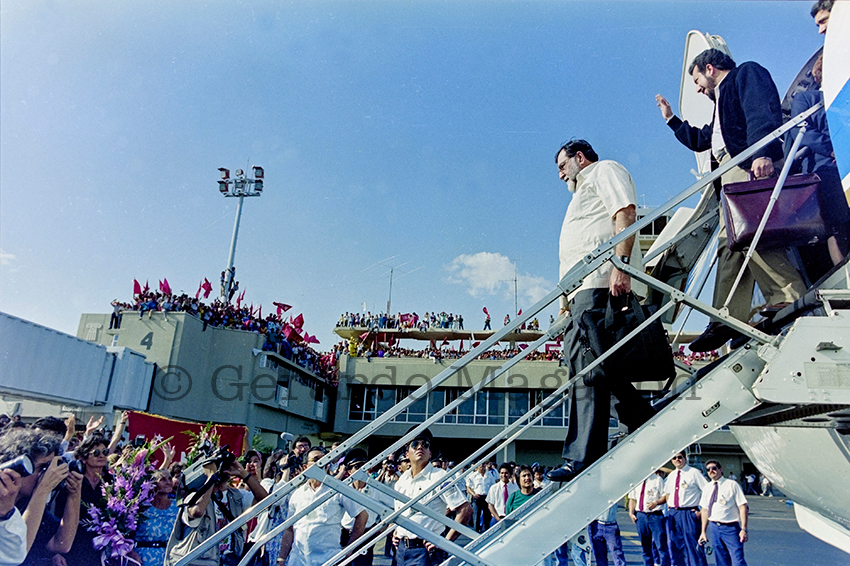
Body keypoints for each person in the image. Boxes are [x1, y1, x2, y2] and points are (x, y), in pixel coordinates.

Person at [655, 49, 807, 352]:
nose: (697, 88)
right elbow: (703, 141)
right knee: (731, 244)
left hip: (747, 165)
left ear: (709, 68)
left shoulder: (745, 75)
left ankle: (789, 294)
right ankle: (726, 316)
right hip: (729, 170)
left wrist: (762, 153)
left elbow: (759, 112)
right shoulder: (721, 102)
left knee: (752, 234)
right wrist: (672, 120)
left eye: (697, 79)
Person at [547, 139, 655, 482]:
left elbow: (624, 213)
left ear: (580, 157)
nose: (561, 174)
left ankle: (581, 456)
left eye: (563, 166)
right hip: (581, 290)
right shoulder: (580, 193)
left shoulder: (603, 170)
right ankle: (637, 411)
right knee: (591, 365)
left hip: (600, 282)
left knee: (587, 369)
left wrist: (621, 265)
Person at [786, 54, 850, 265]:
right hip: (826, 168)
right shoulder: (807, 99)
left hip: (845, 165)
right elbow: (799, 129)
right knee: (838, 222)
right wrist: (831, 147)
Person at [165, 455, 268, 566]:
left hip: (229, 560)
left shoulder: (236, 497)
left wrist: (243, 473)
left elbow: (265, 501)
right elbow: (197, 511)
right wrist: (211, 478)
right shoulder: (195, 497)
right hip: (199, 562)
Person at [0, 428, 82, 566]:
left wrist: (74, 495)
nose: (49, 474)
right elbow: (16, 552)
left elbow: (61, 544)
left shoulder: (29, 504)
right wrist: (42, 489)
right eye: (43, 468)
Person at [393, 429, 472, 566]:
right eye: (415, 444)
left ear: (430, 453)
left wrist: (445, 543)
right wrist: (396, 530)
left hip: (425, 551)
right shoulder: (401, 481)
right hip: (401, 549)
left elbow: (465, 510)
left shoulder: (438, 477)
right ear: (407, 453)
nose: (420, 447)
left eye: (425, 444)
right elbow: (400, 513)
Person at [278, 447, 368, 566]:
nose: (322, 463)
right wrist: (282, 559)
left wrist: (348, 550)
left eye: (325, 459)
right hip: (298, 560)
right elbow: (289, 530)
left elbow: (362, 515)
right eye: (316, 460)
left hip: (329, 560)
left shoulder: (337, 489)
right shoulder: (297, 494)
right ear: (305, 467)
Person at [652, 452, 707, 566]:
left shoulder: (694, 473)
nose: (677, 460)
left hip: (688, 513)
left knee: (693, 546)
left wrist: (702, 511)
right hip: (673, 514)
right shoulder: (671, 476)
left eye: (680, 457)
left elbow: (707, 491)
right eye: (674, 458)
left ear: (685, 458)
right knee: (675, 547)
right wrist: (662, 505)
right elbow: (667, 494)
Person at [699, 460, 748, 566]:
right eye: (708, 469)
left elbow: (742, 507)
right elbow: (705, 510)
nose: (711, 471)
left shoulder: (732, 485)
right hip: (714, 527)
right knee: (721, 560)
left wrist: (744, 529)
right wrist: (703, 532)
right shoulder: (707, 487)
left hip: (730, 528)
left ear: (720, 469)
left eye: (714, 468)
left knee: (737, 560)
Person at [135, 469, 179, 566]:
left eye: (170, 479)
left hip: (170, 558)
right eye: (163, 479)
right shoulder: (141, 507)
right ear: (153, 484)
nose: (168, 482)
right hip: (143, 558)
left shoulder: (177, 507)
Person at [628, 472, 670, 566]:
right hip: (641, 515)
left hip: (655, 516)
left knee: (661, 545)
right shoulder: (636, 480)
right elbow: (632, 498)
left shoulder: (657, 479)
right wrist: (631, 513)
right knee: (645, 546)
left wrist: (656, 502)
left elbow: (665, 496)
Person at [466, 463, 494, 532]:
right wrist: (473, 494)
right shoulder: (473, 476)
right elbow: (468, 487)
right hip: (477, 497)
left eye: (483, 464)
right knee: (476, 518)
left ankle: (487, 533)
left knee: (487, 518)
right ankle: (476, 534)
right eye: (480, 464)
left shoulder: (489, 474)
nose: (481, 466)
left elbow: (493, 486)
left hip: (486, 498)